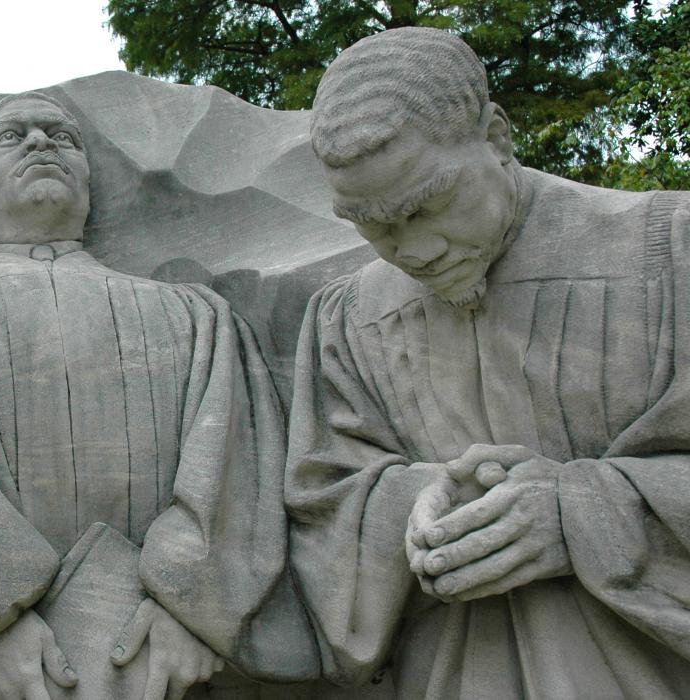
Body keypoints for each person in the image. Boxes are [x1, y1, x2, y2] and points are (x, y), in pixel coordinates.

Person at [0, 91, 317, 699]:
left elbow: (233, 471)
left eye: (62, 137)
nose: (42, 143)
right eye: (12, 136)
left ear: (93, 184)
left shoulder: (199, 316)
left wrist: (192, 610)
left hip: (168, 661)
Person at [290, 26, 690, 697]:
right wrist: (421, 504)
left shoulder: (669, 253)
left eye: (429, 205)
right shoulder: (347, 320)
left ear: (496, 139)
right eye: (374, 224)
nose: (413, 249)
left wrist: (581, 513)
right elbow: (327, 502)